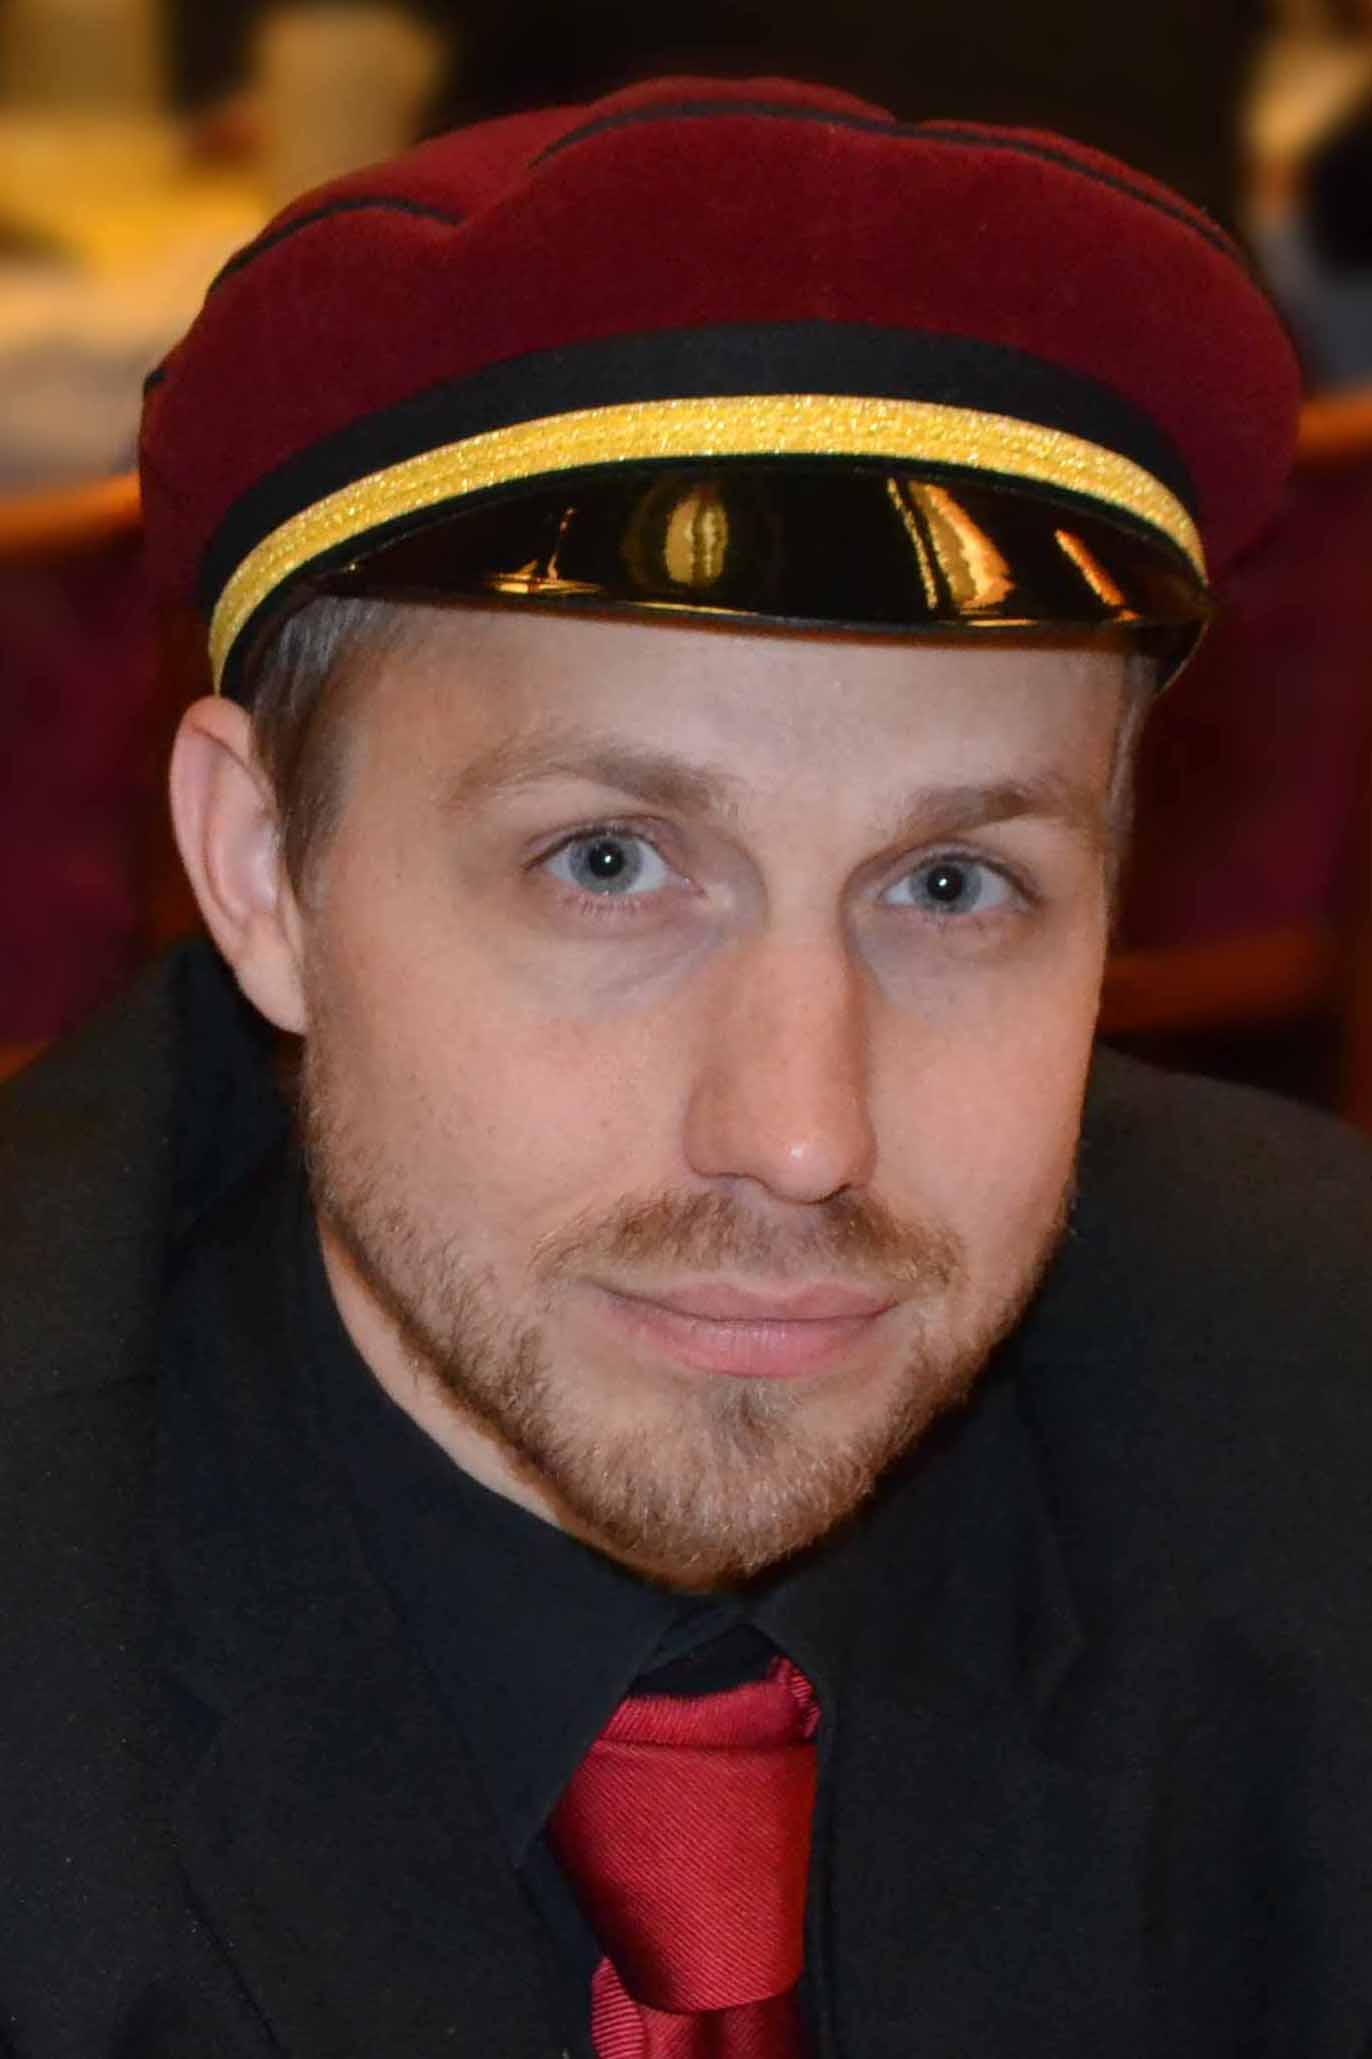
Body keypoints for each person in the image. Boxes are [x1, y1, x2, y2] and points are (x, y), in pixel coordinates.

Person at [3, 72, 1371, 2059]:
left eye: (953, 884)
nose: (801, 1134)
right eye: (609, 863)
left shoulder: (1317, 1428)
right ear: (262, 871)